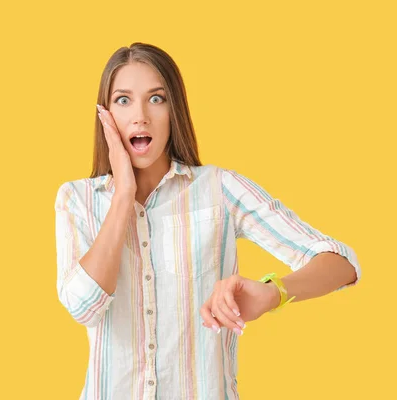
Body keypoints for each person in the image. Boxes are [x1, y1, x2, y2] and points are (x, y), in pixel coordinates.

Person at [54, 42, 361, 400]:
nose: (140, 116)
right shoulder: (77, 199)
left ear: (175, 110)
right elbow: (84, 306)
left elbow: (342, 262)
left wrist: (273, 293)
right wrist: (123, 194)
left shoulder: (219, 189)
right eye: (124, 100)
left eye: (157, 98)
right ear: (105, 115)